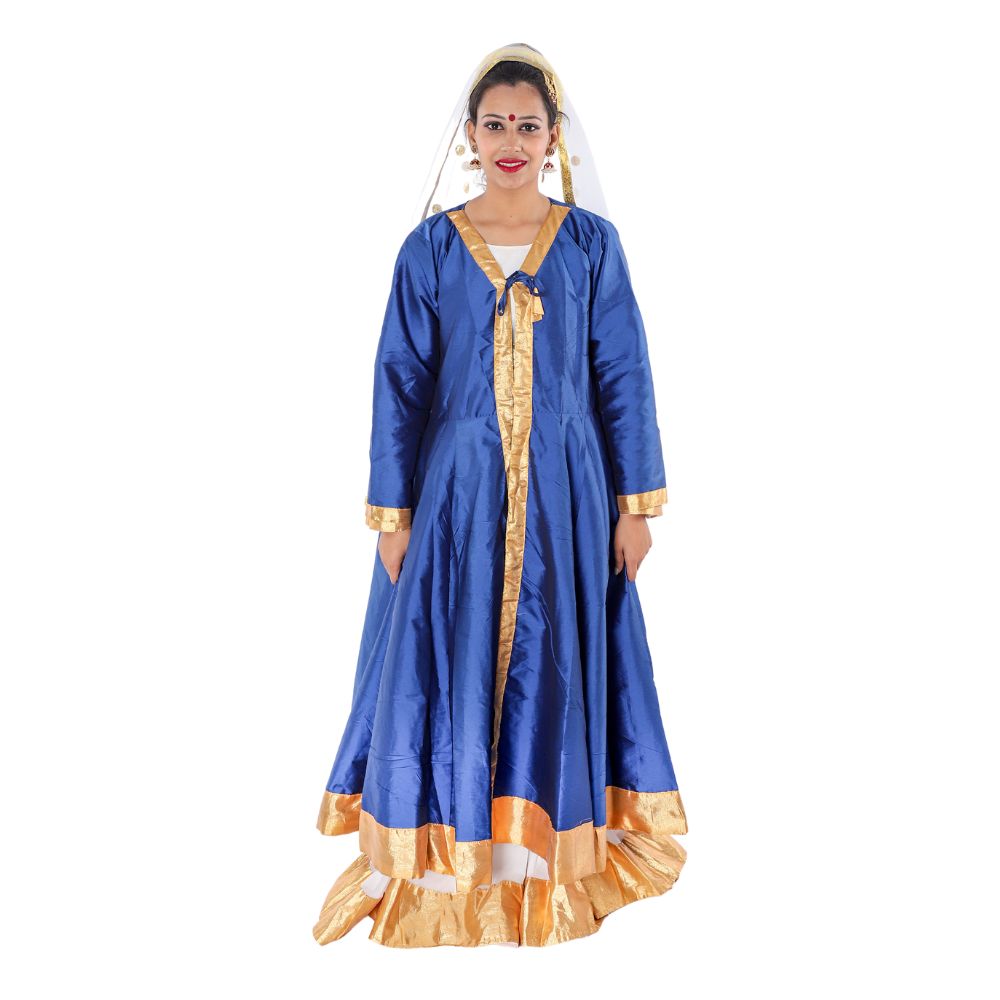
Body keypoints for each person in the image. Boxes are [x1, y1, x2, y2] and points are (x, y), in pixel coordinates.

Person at [312, 42, 689, 949]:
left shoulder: (590, 246)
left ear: (554, 138)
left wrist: (635, 505)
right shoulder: (431, 249)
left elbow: (623, 376)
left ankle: (540, 863)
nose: (511, 141)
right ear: (470, 138)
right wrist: (392, 515)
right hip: (457, 498)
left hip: (568, 498)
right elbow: (399, 385)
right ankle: (448, 858)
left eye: (528, 125)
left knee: (554, 657)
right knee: (455, 653)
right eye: (495, 125)